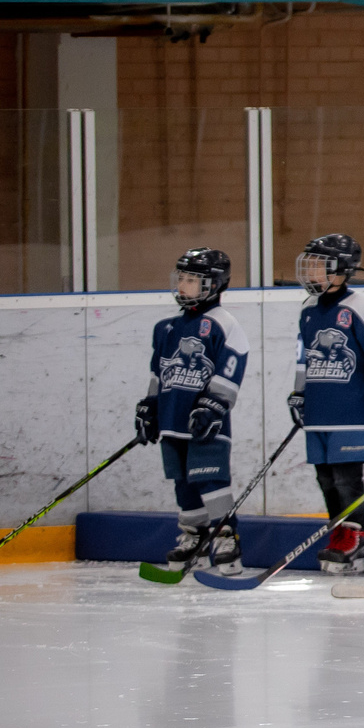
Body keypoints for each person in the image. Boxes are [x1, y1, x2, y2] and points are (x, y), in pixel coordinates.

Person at [286, 234, 364, 575]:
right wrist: (299, 392)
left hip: (352, 411)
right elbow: (303, 358)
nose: (312, 271)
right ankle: (339, 532)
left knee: (348, 480)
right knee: (326, 480)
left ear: (341, 269)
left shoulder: (363, 307)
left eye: (320, 264)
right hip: (319, 411)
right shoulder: (307, 309)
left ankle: (356, 535)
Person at [143, 247, 253, 577]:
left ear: (213, 285)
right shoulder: (166, 327)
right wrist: (150, 407)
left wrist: (214, 404)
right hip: (173, 421)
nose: (183, 286)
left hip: (207, 424)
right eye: (182, 278)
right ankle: (194, 536)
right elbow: (158, 373)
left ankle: (225, 536)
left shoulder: (225, 324)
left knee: (211, 480)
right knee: (183, 483)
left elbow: (231, 369)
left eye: (192, 280)